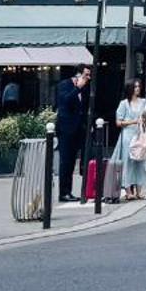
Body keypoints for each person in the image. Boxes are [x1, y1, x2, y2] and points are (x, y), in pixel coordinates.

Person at [54, 65, 91, 203]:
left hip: (79, 128)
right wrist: (77, 88)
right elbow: (65, 102)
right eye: (86, 75)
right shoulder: (65, 85)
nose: (88, 78)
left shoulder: (85, 88)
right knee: (66, 161)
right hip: (66, 128)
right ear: (78, 75)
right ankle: (64, 192)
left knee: (77, 160)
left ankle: (79, 190)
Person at [114, 79, 146, 201]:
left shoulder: (144, 102)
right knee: (128, 162)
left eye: (139, 86)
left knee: (141, 162)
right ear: (130, 89)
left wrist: (145, 118)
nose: (138, 89)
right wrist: (133, 121)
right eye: (135, 87)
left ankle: (139, 191)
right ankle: (128, 191)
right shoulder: (124, 104)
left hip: (140, 135)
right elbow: (118, 122)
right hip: (127, 136)